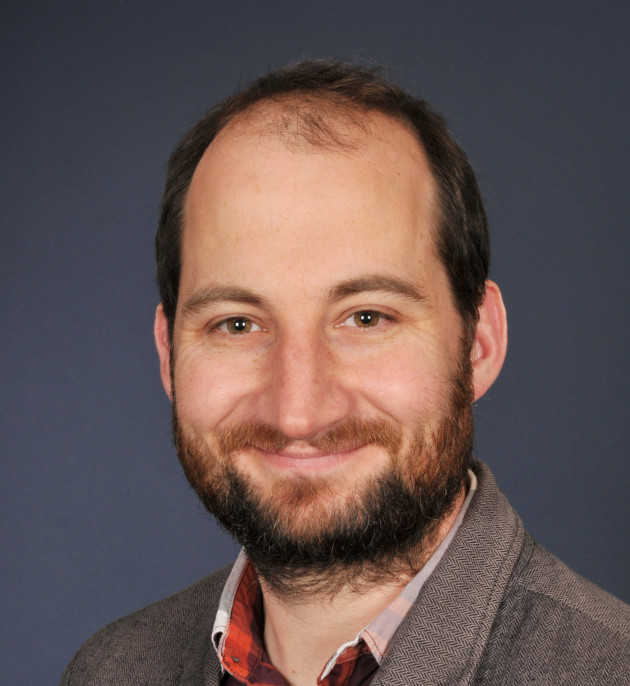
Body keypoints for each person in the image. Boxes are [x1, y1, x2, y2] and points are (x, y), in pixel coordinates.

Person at [60, 60, 630, 686]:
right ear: (168, 354)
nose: (298, 412)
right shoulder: (111, 670)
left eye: (366, 317)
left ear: (479, 342)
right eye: (238, 324)